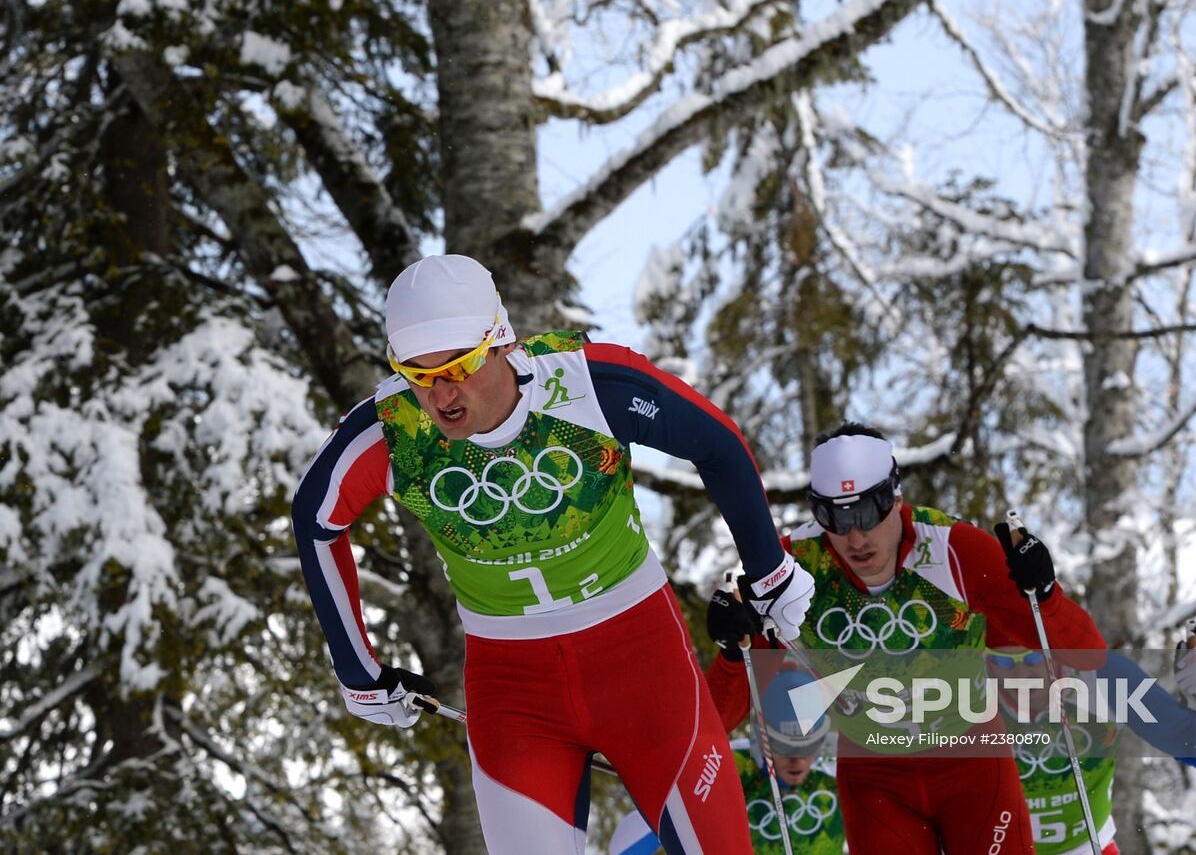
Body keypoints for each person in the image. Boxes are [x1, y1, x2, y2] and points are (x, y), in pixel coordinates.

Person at [292, 254, 815, 853]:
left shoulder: (587, 384)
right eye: (416, 373)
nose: (441, 393)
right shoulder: (395, 428)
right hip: (513, 691)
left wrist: (769, 568)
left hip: (642, 664)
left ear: (501, 341)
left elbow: (716, 442)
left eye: (459, 366)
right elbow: (314, 519)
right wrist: (356, 669)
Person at [704, 421, 1107, 855]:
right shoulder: (792, 568)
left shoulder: (955, 549)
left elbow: (1087, 654)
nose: (854, 537)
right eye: (834, 518)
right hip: (876, 776)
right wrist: (732, 650)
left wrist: (1045, 593)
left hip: (971, 761)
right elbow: (720, 718)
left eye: (867, 513)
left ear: (895, 497)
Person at [987, 639, 1196, 855]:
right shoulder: (973, 691)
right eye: (1003, 661)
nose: (1022, 675)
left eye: (1033, 657)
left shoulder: (1104, 678)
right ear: (987, 662)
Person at [610, 668, 845, 855]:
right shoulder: (724, 765)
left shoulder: (839, 771)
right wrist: (685, 801)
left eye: (808, 744)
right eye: (784, 744)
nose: (797, 759)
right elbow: (623, 849)